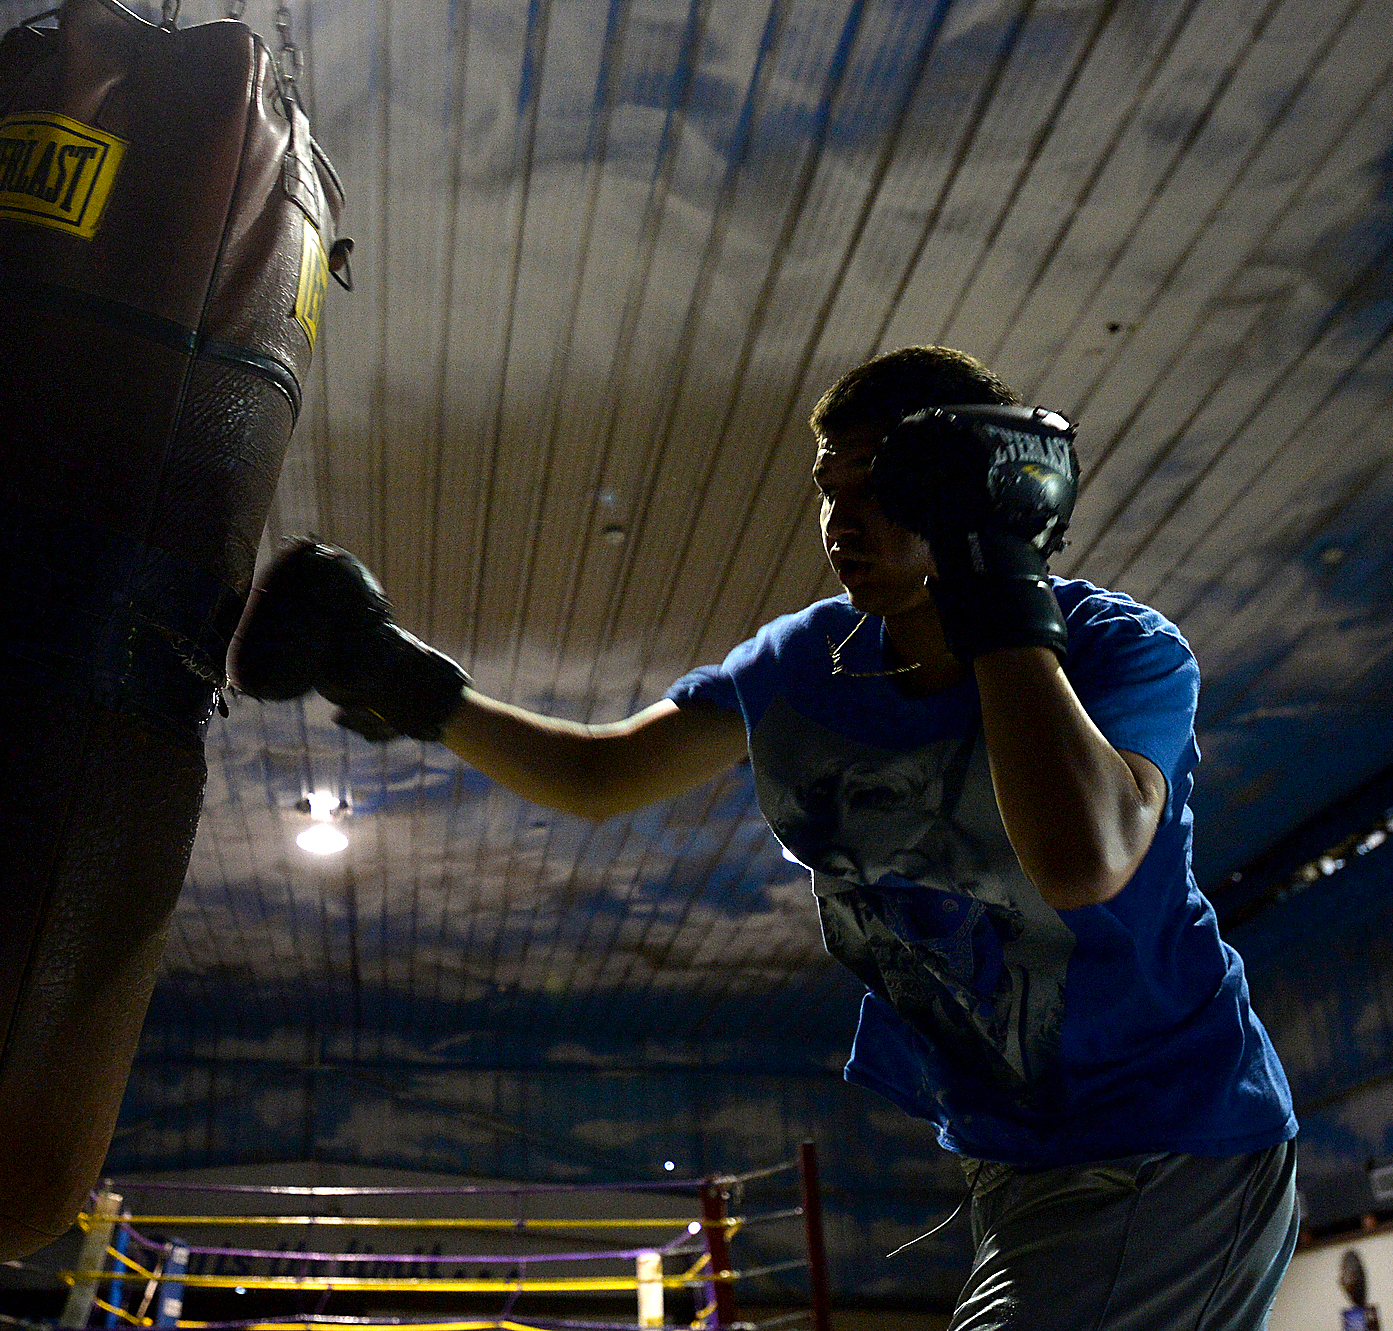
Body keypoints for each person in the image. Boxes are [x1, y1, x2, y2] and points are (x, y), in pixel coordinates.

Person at [228, 345, 1300, 1330]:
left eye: (883, 482)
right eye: (832, 488)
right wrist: (390, 674)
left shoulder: (1115, 650)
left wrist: (994, 578)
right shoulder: (805, 660)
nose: (844, 517)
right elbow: (600, 773)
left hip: (1175, 1138)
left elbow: (1081, 859)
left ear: (969, 477)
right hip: (1009, 1159)